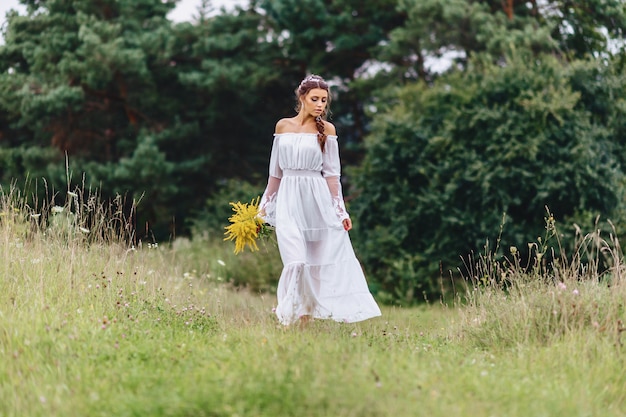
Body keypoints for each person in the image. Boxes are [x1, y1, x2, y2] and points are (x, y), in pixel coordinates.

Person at [259, 74, 381, 326]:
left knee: (316, 264)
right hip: (289, 202)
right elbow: (275, 175)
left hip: (317, 202)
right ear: (301, 98)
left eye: (324, 101)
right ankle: (287, 313)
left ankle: (305, 318)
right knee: (296, 261)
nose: (320, 105)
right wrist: (262, 211)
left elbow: (333, 177)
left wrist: (341, 212)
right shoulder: (282, 126)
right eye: (315, 99)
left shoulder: (327, 130)